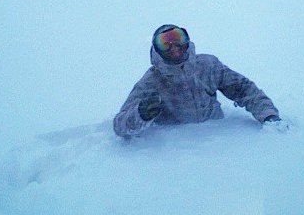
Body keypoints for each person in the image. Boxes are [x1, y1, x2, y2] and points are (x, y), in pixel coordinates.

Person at [113, 24, 289, 138]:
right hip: (177, 154)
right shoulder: (151, 82)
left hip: (220, 141)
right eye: (165, 43)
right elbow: (120, 126)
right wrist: (141, 114)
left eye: (178, 39)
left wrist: (269, 116)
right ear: (156, 50)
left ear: (187, 41)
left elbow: (245, 90)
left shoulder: (208, 66)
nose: (174, 47)